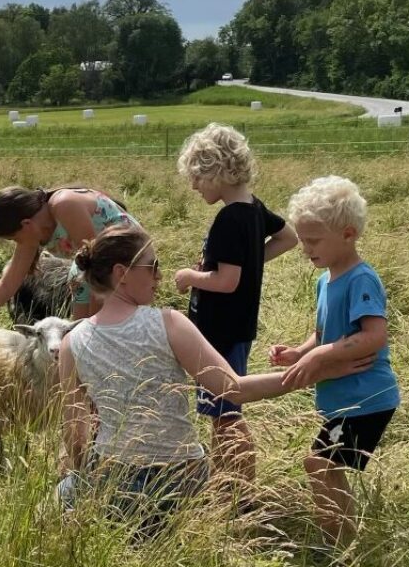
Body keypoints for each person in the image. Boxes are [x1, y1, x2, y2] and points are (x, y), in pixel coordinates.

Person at [57, 226, 372, 540]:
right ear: (121, 273)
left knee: (62, 496)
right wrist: (317, 372)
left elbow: (75, 432)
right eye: (153, 266)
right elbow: (234, 388)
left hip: (112, 479)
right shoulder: (167, 323)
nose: (159, 277)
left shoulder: (72, 343)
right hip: (179, 480)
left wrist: (90, 483)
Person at [268, 175, 401, 545]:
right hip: (344, 397)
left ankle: (339, 545)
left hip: (367, 397)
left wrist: (325, 354)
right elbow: (324, 331)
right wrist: (301, 350)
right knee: (328, 467)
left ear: (348, 234)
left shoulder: (361, 279)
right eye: (303, 239)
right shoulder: (325, 279)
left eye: (313, 240)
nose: (305, 248)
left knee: (318, 464)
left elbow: (375, 335)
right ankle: (345, 538)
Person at [172, 123, 298, 495]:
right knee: (224, 411)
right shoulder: (253, 208)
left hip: (220, 330)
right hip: (237, 327)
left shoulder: (230, 218)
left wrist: (191, 276)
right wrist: (252, 261)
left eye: (197, 177)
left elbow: (226, 282)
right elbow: (288, 237)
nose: (194, 186)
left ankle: (237, 489)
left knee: (225, 414)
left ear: (215, 169)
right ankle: (228, 483)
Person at [0, 186, 138, 337]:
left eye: (14, 238)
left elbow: (99, 267)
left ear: (26, 223)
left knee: (97, 334)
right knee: (77, 336)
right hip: (87, 266)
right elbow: (8, 284)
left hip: (127, 260)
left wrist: (96, 327)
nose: (17, 243)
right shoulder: (32, 233)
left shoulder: (64, 204)